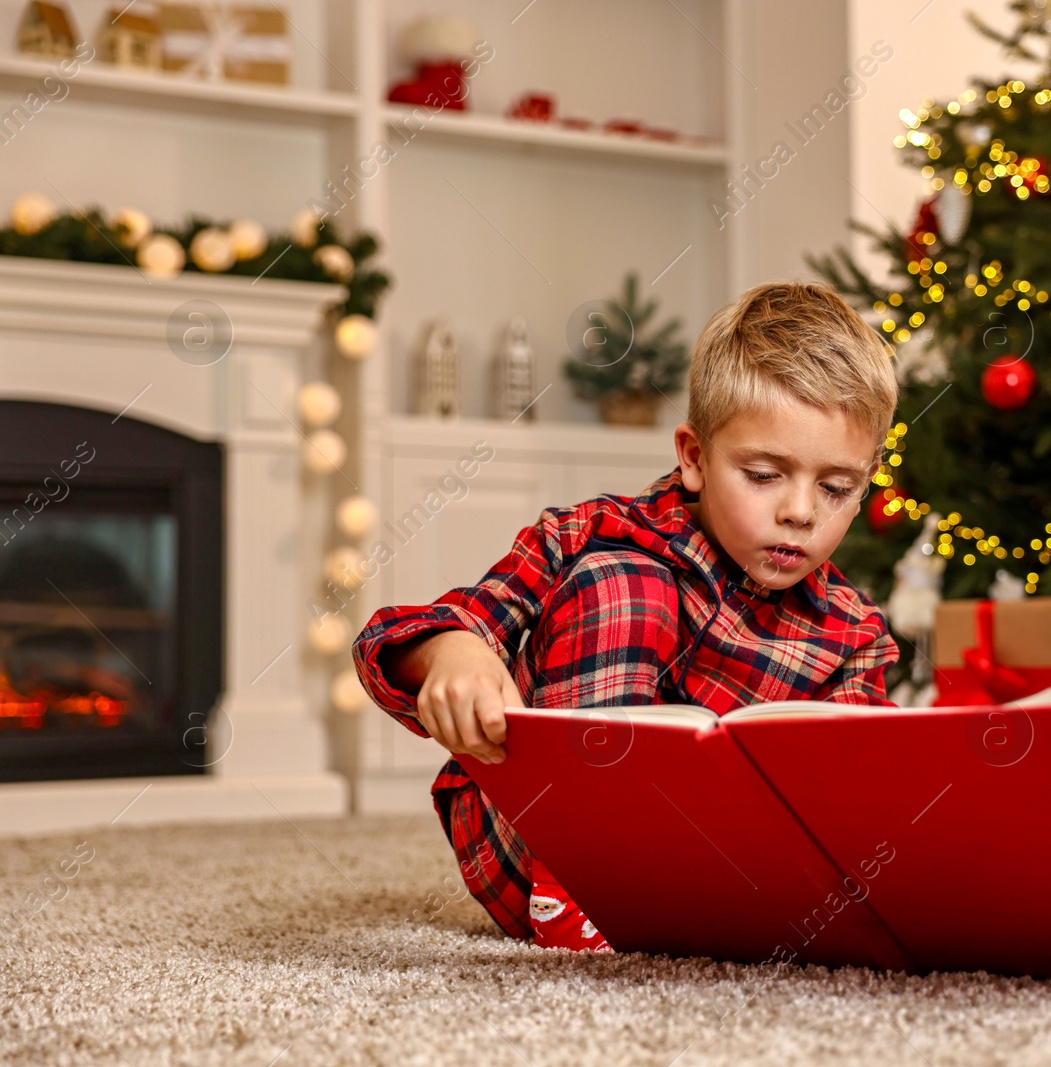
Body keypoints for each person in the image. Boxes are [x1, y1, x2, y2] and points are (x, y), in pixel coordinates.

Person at [350, 282, 900, 950]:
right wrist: (450, 654)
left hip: (719, 869)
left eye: (836, 488)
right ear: (695, 458)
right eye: (763, 475)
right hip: (531, 838)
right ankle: (582, 890)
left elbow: (855, 805)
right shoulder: (591, 531)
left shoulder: (853, 633)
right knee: (620, 580)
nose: (801, 512)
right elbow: (388, 639)